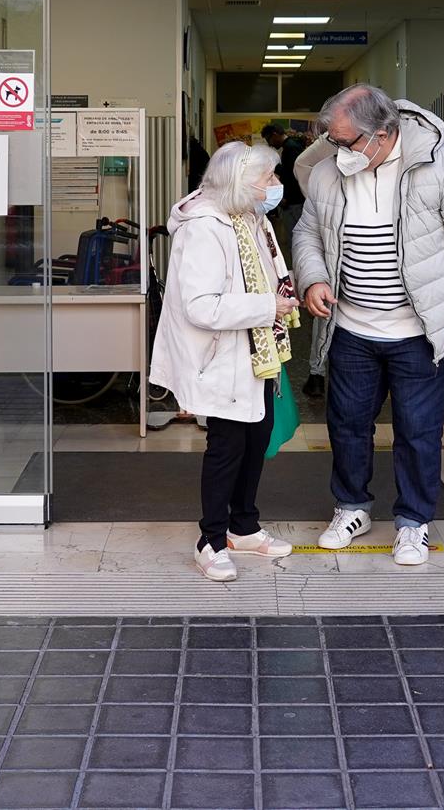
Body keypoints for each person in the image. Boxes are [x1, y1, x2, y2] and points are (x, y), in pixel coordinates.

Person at [292, 85, 444, 566]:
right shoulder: (329, 172)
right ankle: (351, 508)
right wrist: (314, 278)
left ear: (382, 134)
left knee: (419, 430)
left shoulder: (440, 164)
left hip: (419, 330)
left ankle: (413, 522)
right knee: (346, 425)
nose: (337, 152)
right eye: (333, 142)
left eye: (345, 142)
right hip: (352, 328)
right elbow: (307, 230)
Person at [149, 141, 300, 582]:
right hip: (222, 356)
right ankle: (210, 541)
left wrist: (280, 302)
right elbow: (202, 305)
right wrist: (267, 308)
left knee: (257, 441)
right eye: (267, 179)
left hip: (258, 353)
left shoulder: (253, 218)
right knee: (226, 449)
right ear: (238, 183)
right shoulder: (204, 228)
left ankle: (244, 527)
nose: (275, 186)